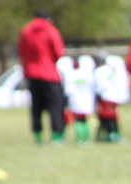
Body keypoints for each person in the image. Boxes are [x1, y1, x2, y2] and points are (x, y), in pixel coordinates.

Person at [17, 10, 66, 145]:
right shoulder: (51, 31)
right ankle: (57, 136)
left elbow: (21, 51)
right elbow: (59, 52)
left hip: (31, 73)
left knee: (36, 106)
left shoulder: (26, 31)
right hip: (49, 73)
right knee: (55, 105)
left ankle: (38, 136)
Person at [93, 54, 130, 143]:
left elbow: (97, 86)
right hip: (114, 96)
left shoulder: (98, 71)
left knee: (107, 116)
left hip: (105, 96)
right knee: (113, 116)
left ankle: (111, 133)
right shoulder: (112, 69)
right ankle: (114, 133)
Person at [59, 55, 95, 145]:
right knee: (85, 120)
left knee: (78, 121)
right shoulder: (88, 74)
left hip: (75, 101)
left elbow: (67, 91)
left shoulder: (71, 75)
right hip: (87, 100)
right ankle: (87, 139)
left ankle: (80, 140)